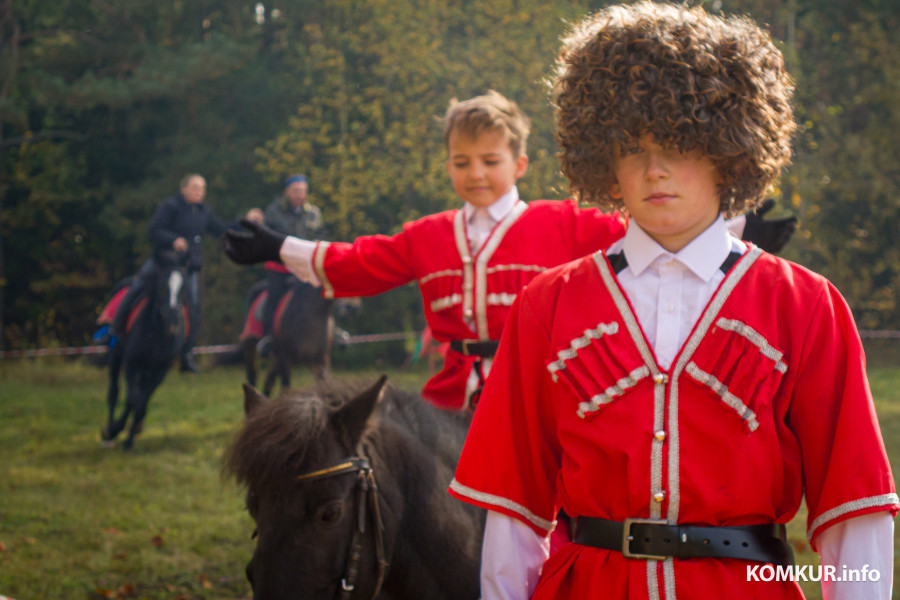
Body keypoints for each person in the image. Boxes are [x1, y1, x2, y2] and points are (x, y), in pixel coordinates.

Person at [448, 4, 897, 600]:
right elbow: (514, 509)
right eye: (632, 148)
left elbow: (852, 506)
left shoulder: (805, 304)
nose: (655, 170)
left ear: (727, 151)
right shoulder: (547, 305)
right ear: (603, 159)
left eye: (679, 144)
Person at [223, 91, 795, 410]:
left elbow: (651, 228)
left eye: (490, 161)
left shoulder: (565, 222)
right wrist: (277, 245)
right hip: (449, 397)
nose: (476, 174)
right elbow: (357, 263)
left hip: (545, 391)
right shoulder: (426, 235)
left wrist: (733, 229)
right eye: (462, 162)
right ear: (447, 164)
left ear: (518, 164)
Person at [112, 174, 263, 372]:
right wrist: (173, 239)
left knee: (193, 309)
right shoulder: (169, 207)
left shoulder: (204, 212)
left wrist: (247, 221)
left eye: (202, 188)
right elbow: (154, 230)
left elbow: (223, 229)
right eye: (195, 187)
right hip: (162, 263)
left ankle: (186, 355)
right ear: (183, 188)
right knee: (136, 288)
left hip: (188, 268)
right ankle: (114, 333)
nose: (199, 192)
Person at [256, 174, 326, 357]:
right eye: (296, 191)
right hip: (280, 267)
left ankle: (330, 334)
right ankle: (268, 339)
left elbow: (321, 233)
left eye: (303, 191)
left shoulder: (314, 213)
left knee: (323, 294)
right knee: (275, 297)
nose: (300, 195)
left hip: (305, 265)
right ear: (287, 192)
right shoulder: (273, 212)